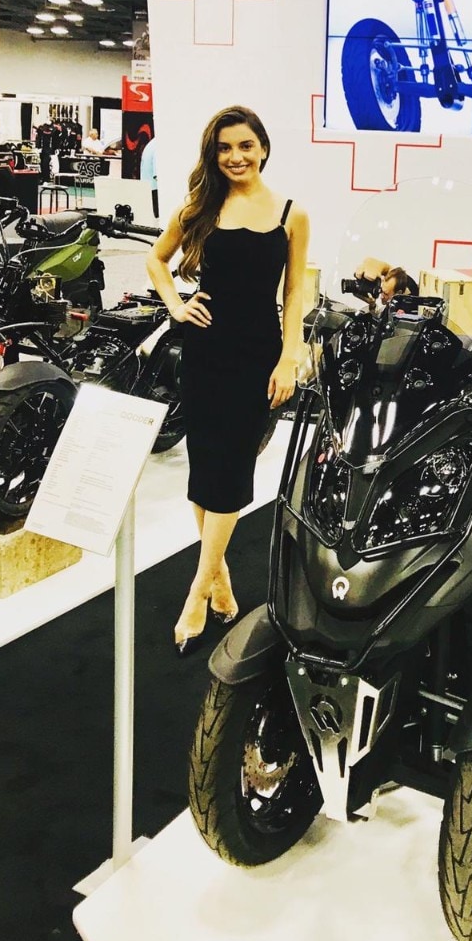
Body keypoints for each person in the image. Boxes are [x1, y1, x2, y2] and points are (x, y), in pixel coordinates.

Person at [146, 107, 310, 654]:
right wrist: (176, 305)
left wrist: (289, 357)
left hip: (257, 356)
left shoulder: (291, 214)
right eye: (224, 148)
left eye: (245, 145)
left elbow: (295, 293)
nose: (235, 157)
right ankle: (220, 581)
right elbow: (157, 260)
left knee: (234, 469)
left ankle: (196, 592)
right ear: (213, 154)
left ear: (262, 147)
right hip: (204, 351)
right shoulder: (201, 207)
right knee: (205, 465)